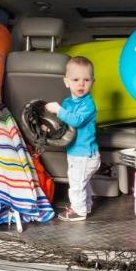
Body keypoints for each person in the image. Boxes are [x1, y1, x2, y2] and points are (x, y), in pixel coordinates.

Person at [45, 56, 101, 222]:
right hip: (76, 152)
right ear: (67, 82)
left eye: (86, 80)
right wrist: (49, 127)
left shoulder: (88, 104)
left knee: (76, 185)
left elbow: (76, 120)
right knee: (82, 183)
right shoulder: (68, 103)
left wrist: (58, 109)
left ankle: (78, 211)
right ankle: (86, 205)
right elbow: (63, 123)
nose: (81, 84)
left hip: (85, 154)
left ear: (93, 82)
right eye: (76, 80)